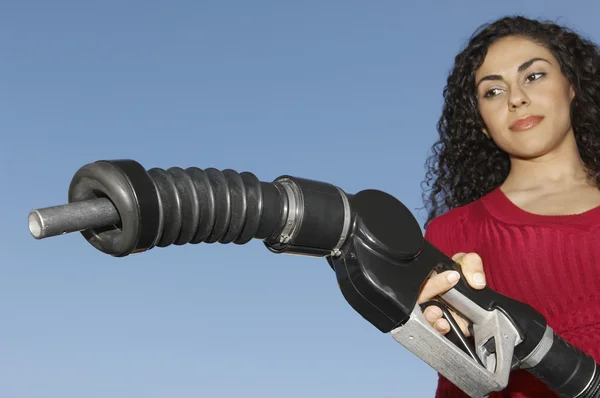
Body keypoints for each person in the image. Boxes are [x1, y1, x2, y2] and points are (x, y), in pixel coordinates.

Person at [418, 15, 600, 397]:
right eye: (493, 92)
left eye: (533, 76)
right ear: (481, 122)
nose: (517, 98)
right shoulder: (454, 233)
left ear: (573, 86)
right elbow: (457, 381)